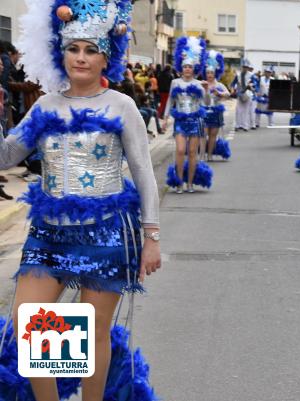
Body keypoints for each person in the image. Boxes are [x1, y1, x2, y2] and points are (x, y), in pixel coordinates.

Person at [0, 0, 161, 399]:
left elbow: (143, 173)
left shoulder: (122, 107)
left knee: (92, 333)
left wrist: (151, 237)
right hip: (47, 236)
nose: (81, 58)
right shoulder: (45, 104)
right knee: (30, 324)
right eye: (74, 49)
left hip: (105, 235)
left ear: (107, 59)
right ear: (62, 52)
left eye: (91, 50)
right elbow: (7, 156)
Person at [163, 36, 207, 193]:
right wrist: (165, 118)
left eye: (190, 66)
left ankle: (190, 183)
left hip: (195, 120)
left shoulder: (198, 84)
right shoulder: (175, 82)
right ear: (181, 68)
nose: (187, 69)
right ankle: (179, 181)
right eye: (185, 66)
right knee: (180, 150)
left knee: (192, 153)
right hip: (180, 121)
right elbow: (170, 100)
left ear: (194, 68)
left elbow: (205, 102)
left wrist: (205, 90)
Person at [201, 50, 230, 161]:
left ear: (215, 73)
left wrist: (220, 94)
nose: (209, 75)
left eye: (211, 73)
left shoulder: (219, 85)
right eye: (208, 73)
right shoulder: (202, 83)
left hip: (216, 112)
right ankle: (202, 154)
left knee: (213, 135)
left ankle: (210, 154)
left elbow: (228, 94)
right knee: (203, 134)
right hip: (204, 111)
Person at [231, 59, 255, 131]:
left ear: (248, 67)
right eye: (244, 67)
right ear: (241, 67)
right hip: (240, 94)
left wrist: (251, 87)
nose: (245, 68)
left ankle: (245, 126)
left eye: (246, 67)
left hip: (248, 94)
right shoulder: (238, 74)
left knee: (246, 111)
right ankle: (237, 125)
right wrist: (232, 90)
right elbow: (233, 83)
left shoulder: (251, 75)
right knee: (238, 110)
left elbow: (255, 85)